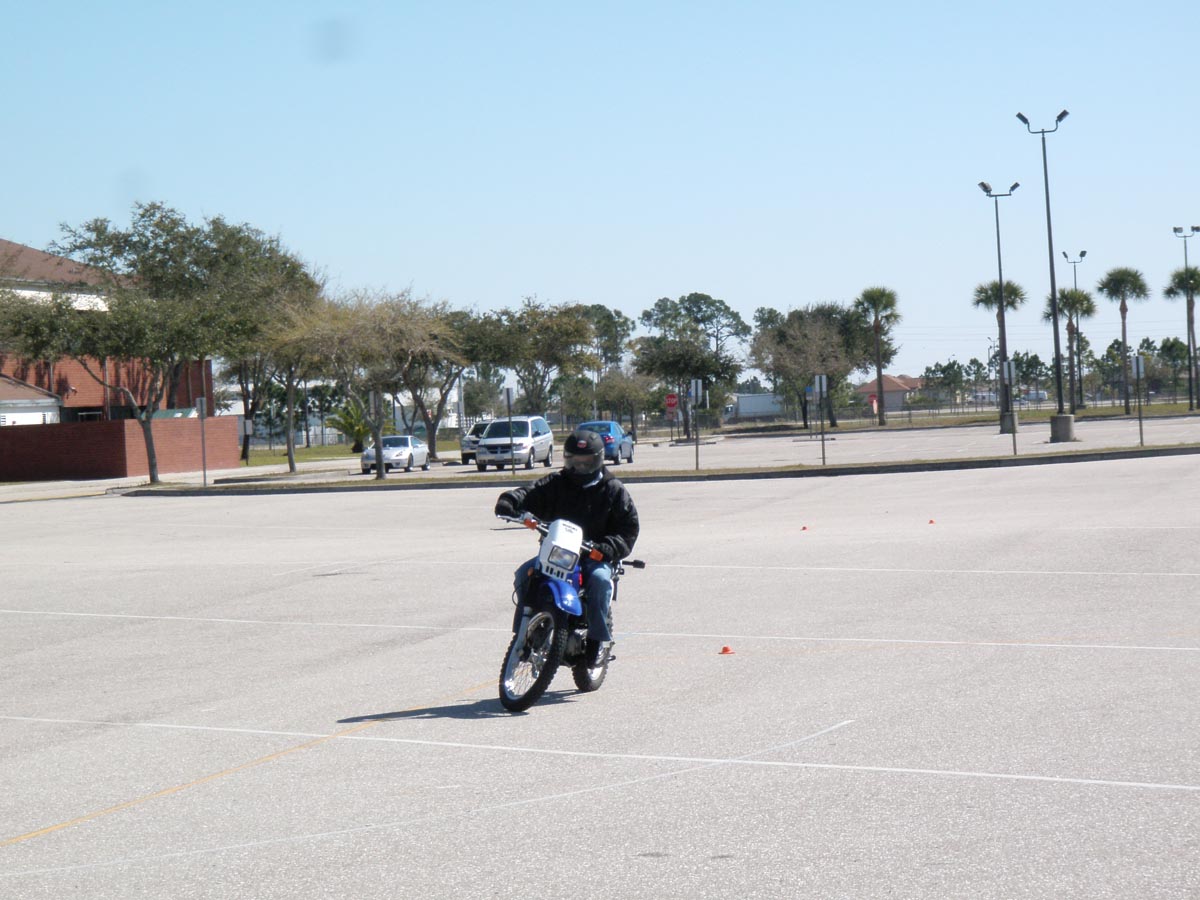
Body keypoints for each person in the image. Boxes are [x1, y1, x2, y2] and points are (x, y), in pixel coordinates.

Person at [494, 429, 640, 667]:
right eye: (574, 461)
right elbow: (530, 492)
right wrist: (510, 500)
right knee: (524, 575)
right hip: (558, 552)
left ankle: (596, 640)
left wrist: (608, 547)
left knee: (600, 581)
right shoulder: (556, 483)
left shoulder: (613, 489)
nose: (580, 467)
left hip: (593, 555)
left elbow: (629, 528)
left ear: (598, 460)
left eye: (586, 461)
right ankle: (526, 631)